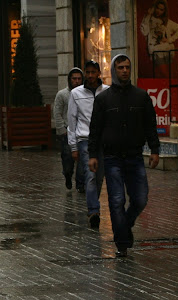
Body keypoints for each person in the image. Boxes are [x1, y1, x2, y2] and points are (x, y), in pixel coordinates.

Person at [88, 54, 160, 257]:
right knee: (116, 199)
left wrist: (154, 150)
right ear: (114, 70)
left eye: (127, 67)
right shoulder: (103, 99)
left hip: (134, 156)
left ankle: (125, 226)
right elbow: (95, 129)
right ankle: (122, 243)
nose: (124, 71)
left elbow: (150, 126)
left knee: (140, 199)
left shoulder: (141, 96)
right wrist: (93, 154)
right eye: (120, 68)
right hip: (112, 157)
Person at [68, 60, 109, 228]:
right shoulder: (76, 93)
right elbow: (72, 120)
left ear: (99, 73)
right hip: (84, 139)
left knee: (99, 177)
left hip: (103, 140)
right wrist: (73, 146)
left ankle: (94, 203)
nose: (91, 75)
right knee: (91, 176)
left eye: (94, 72)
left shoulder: (107, 91)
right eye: (88, 72)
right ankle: (93, 210)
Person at [53, 67, 84, 191]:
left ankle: (80, 183)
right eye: (74, 79)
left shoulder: (85, 94)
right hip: (67, 131)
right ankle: (67, 175)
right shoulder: (62, 94)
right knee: (68, 159)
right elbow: (57, 113)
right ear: (69, 80)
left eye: (79, 79)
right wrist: (62, 130)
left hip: (81, 131)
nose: (76, 81)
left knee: (82, 159)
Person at [140, 0, 178, 77]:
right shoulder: (148, 19)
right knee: (159, 74)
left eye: (161, 10)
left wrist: (169, 39)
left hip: (163, 51)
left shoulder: (167, 22)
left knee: (164, 74)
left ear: (164, 11)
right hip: (154, 51)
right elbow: (144, 32)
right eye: (157, 8)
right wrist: (148, 15)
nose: (158, 11)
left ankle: (167, 88)